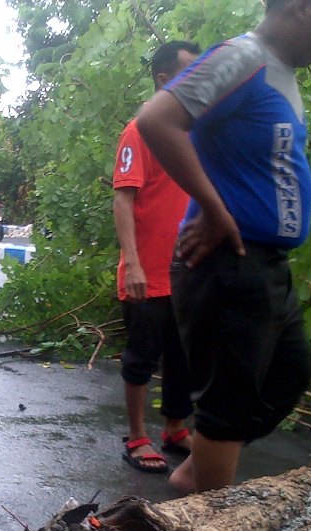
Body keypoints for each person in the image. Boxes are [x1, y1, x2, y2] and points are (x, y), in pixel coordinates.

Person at [136, 0, 311, 493]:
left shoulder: (280, 74)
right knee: (227, 408)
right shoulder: (241, 58)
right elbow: (157, 120)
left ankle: (196, 473)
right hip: (228, 265)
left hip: (262, 264)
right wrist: (214, 209)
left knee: (289, 375)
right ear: (300, 6)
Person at [114, 41, 201, 474]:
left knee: (182, 356)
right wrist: (132, 263)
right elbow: (123, 198)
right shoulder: (140, 131)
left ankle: (173, 428)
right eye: (192, 72)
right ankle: (136, 435)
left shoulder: (192, 134)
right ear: (166, 81)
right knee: (142, 356)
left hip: (187, 270)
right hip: (147, 271)